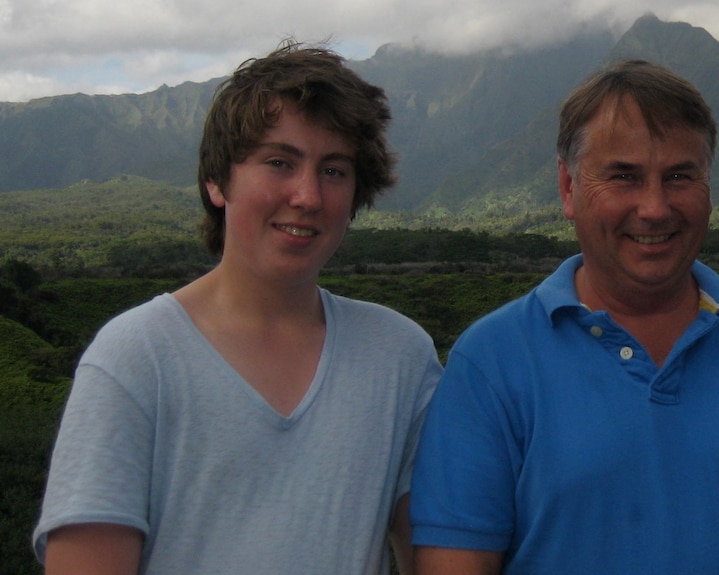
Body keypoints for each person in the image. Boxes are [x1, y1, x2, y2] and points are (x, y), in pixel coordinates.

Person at [409, 60, 719, 574]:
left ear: (708, 185)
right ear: (567, 187)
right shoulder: (491, 362)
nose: (654, 207)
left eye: (679, 177)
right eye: (624, 176)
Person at [33, 41, 441, 574]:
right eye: (279, 162)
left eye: (335, 170)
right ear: (218, 181)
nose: (308, 196)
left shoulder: (399, 357)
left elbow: (434, 550)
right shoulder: (136, 358)